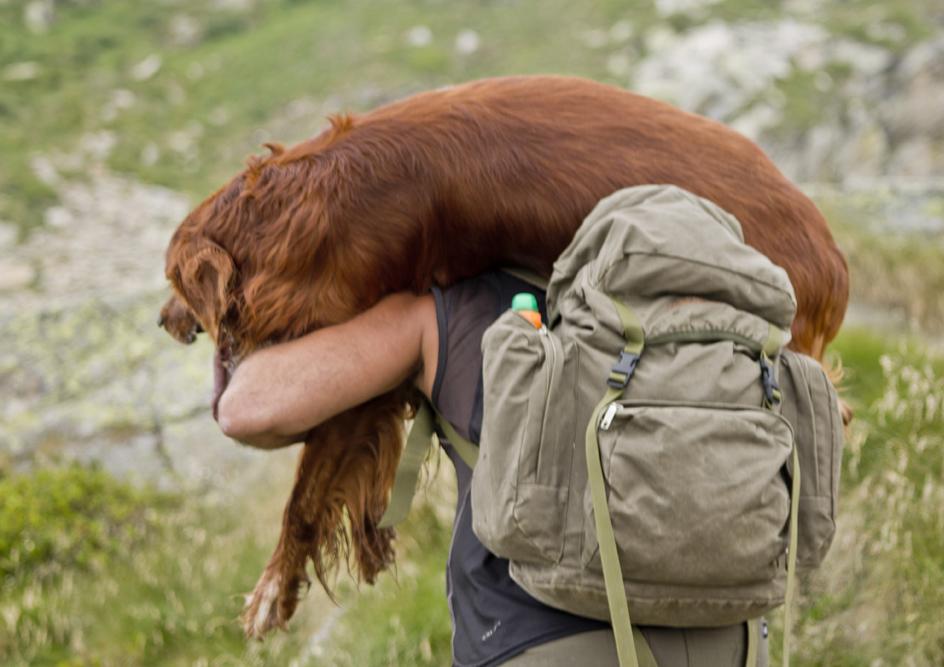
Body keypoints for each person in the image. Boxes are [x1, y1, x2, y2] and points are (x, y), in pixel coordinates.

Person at [217, 272, 769, 667]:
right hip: (733, 641)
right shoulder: (702, 303)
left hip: (538, 644)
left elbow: (249, 411)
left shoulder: (455, 308)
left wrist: (225, 329)